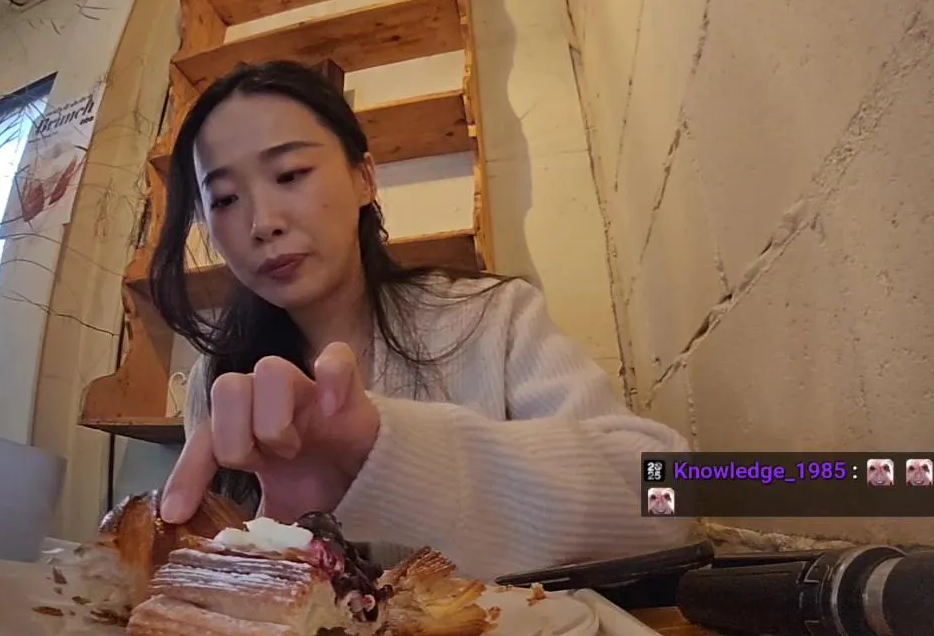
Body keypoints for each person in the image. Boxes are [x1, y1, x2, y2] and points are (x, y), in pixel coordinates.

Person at [151, 60, 691, 581]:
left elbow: (680, 493)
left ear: (364, 179)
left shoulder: (493, 316)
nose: (262, 222)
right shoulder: (218, 383)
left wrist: (386, 450)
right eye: (224, 199)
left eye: (290, 174)